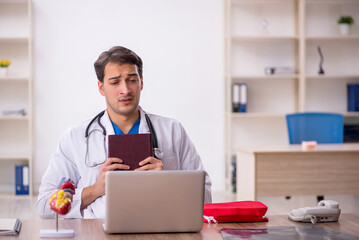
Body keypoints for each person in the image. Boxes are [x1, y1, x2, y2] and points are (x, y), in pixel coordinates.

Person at [37, 46, 212, 219]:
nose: (125, 90)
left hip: (161, 229)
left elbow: (205, 196)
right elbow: (44, 205)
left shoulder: (172, 131)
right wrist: (96, 189)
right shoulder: (75, 138)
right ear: (101, 88)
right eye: (114, 82)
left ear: (141, 82)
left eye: (132, 80)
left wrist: (166, 184)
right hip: (98, 233)